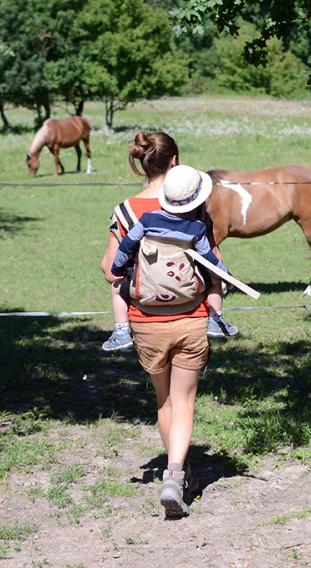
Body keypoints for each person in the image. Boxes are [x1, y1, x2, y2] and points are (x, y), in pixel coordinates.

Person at [98, 131, 222, 518]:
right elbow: (215, 267)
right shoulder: (195, 207)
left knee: (164, 401)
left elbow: (108, 270)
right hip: (191, 320)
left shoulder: (127, 210)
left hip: (144, 322)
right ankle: (174, 476)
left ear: (141, 163)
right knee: (184, 402)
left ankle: (180, 472)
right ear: (176, 162)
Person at [102, 162, 238, 353]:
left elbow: (126, 246)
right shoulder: (197, 227)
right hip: (187, 291)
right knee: (215, 280)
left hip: (145, 289)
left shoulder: (147, 219)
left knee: (116, 288)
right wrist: (226, 276)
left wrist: (117, 269)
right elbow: (209, 259)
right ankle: (216, 319)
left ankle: (121, 331)